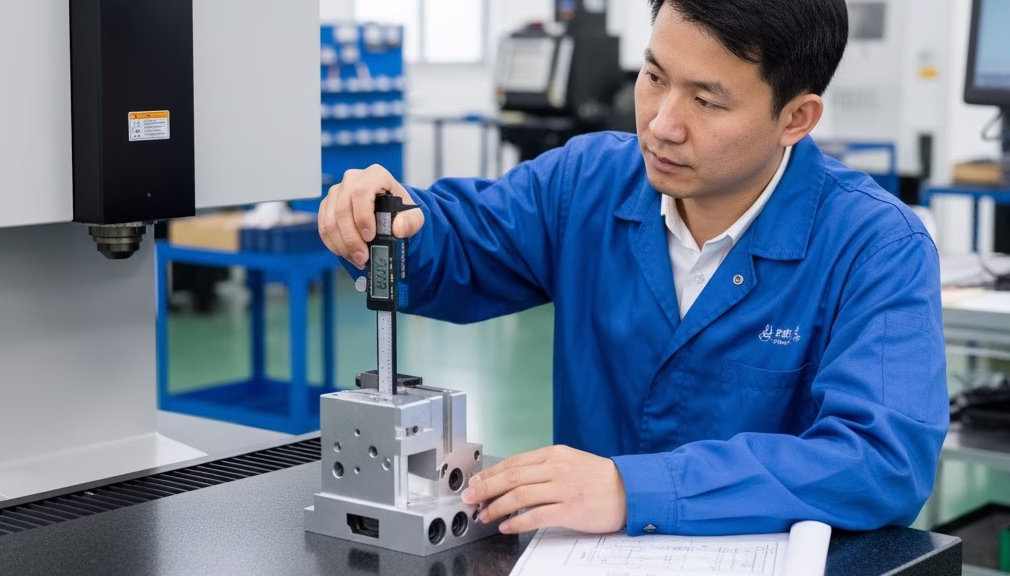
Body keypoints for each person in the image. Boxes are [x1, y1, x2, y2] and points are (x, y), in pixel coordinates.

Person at [318, 0, 948, 537]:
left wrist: (634, 489)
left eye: (706, 100)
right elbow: (458, 244)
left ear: (795, 118)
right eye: (653, 77)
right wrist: (384, 221)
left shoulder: (874, 246)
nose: (662, 125)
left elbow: (879, 461)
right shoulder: (585, 183)